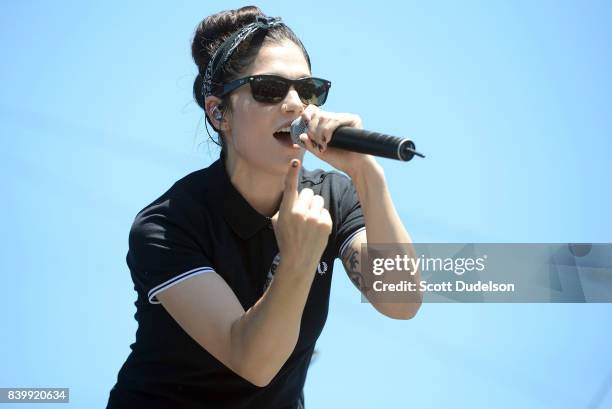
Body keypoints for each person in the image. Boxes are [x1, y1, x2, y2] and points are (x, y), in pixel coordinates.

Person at [106, 6, 421, 409]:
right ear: (219, 112)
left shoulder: (333, 195)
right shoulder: (169, 223)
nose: (294, 105)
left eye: (307, 91)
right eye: (268, 89)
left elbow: (401, 300)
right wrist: (298, 259)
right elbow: (254, 362)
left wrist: (367, 175)